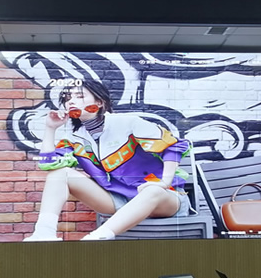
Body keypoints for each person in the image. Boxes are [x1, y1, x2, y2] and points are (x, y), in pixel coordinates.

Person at [24, 79, 192, 241]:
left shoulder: (127, 123)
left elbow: (174, 146)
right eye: (68, 98)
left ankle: (97, 238)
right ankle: (44, 233)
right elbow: (48, 164)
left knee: (152, 190)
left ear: (99, 102)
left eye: (80, 96)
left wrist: (164, 182)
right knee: (59, 173)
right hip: (118, 200)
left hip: (163, 199)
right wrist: (50, 128)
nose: (71, 101)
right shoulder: (74, 139)